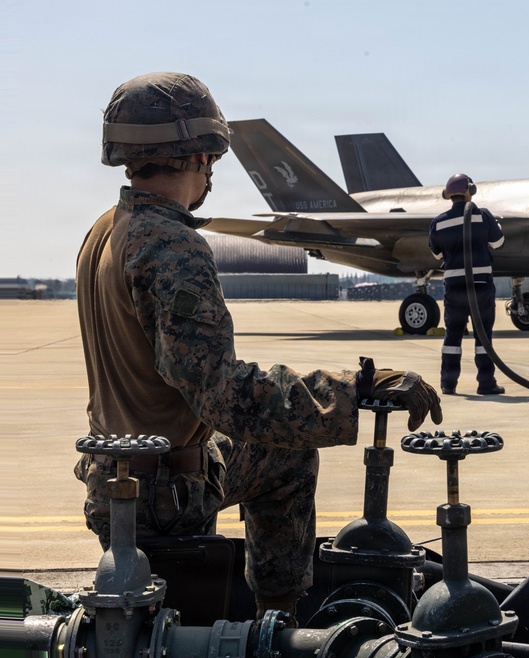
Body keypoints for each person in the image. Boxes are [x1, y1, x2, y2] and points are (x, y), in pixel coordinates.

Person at [74, 72, 442, 625]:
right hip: (163, 494)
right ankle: (278, 621)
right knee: (287, 454)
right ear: (201, 155)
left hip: (115, 477)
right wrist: (356, 389)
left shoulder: (106, 229)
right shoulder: (171, 244)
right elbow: (221, 395)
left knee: (273, 448)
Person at [428, 173, 506, 395]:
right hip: (480, 285)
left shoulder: (439, 222)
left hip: (454, 289)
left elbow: (436, 255)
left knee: (452, 336)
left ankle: (448, 384)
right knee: (483, 336)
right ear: (470, 190)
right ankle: (486, 383)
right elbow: (499, 243)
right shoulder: (483, 216)